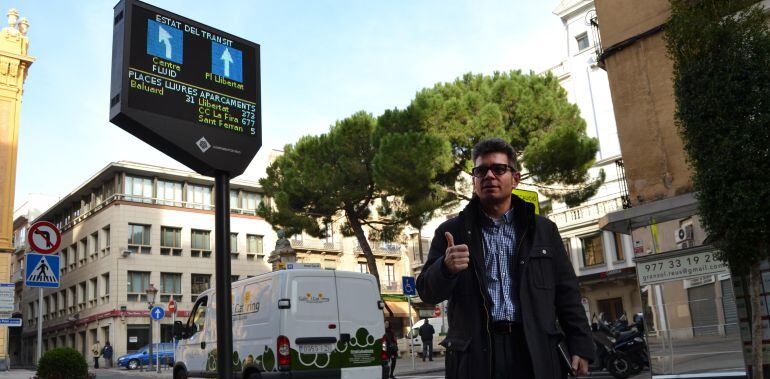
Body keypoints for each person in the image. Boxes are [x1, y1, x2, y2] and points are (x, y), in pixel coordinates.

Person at [416, 138, 594, 379]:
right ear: (474, 181)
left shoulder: (542, 230)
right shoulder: (451, 232)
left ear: (515, 178)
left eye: (499, 169)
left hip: (535, 350)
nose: (489, 175)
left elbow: (567, 293)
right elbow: (427, 292)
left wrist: (581, 346)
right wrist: (445, 269)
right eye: (481, 171)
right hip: (476, 356)